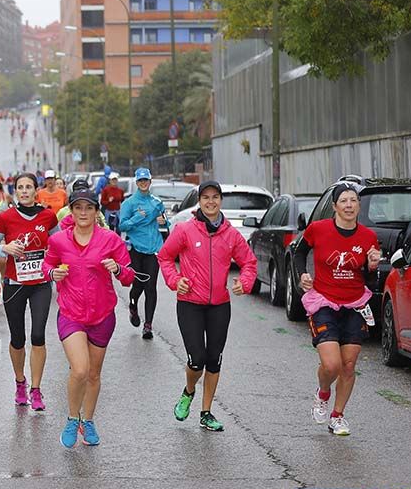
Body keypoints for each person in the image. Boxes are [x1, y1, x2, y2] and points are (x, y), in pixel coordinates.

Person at [157, 181, 257, 432]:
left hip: (219, 306)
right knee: (196, 359)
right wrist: (174, 280)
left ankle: (206, 412)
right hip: (190, 303)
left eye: (215, 197)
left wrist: (244, 283)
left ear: (220, 200)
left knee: (214, 360)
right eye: (206, 197)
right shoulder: (185, 230)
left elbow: (249, 262)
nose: (211, 202)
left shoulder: (231, 234)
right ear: (199, 201)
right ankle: (189, 390)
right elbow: (165, 256)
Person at [43, 189, 135, 447]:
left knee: (93, 374)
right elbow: (47, 265)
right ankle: (73, 418)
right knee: (80, 369)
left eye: (88, 208)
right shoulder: (59, 241)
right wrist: (52, 274)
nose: (83, 212)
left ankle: (89, 421)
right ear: (71, 211)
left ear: (97, 212)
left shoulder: (110, 240)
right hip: (71, 313)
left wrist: (117, 268)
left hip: (102, 315)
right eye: (78, 208)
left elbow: (129, 275)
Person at [295, 182, 381, 437]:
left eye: (353, 200)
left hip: (354, 304)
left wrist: (373, 266)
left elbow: (370, 282)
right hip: (324, 302)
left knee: (348, 365)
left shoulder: (368, 237)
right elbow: (299, 251)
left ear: (358, 205)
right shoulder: (318, 229)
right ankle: (323, 394)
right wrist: (302, 275)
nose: (349, 205)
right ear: (334, 206)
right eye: (343, 201)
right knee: (331, 365)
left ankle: (337, 416)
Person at [0, 172, 59, 411]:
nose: (25, 191)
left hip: (40, 284)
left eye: (29, 187)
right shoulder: (6, 217)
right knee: (18, 339)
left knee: (38, 335)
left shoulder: (48, 216)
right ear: (15, 190)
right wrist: (5, 248)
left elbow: (59, 244)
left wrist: (54, 261)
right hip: (15, 285)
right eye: (21, 187)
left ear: (36, 190)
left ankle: (36, 390)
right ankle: (20, 382)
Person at [118, 168, 166, 339]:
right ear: (137, 183)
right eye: (140, 181)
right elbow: (122, 226)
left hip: (154, 249)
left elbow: (163, 221)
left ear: (150, 181)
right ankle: (133, 306)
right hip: (136, 250)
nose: (143, 183)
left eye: (146, 180)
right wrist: (137, 218)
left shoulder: (157, 202)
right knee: (138, 286)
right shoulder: (129, 203)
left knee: (151, 287)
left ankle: (148, 325)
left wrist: (164, 220)